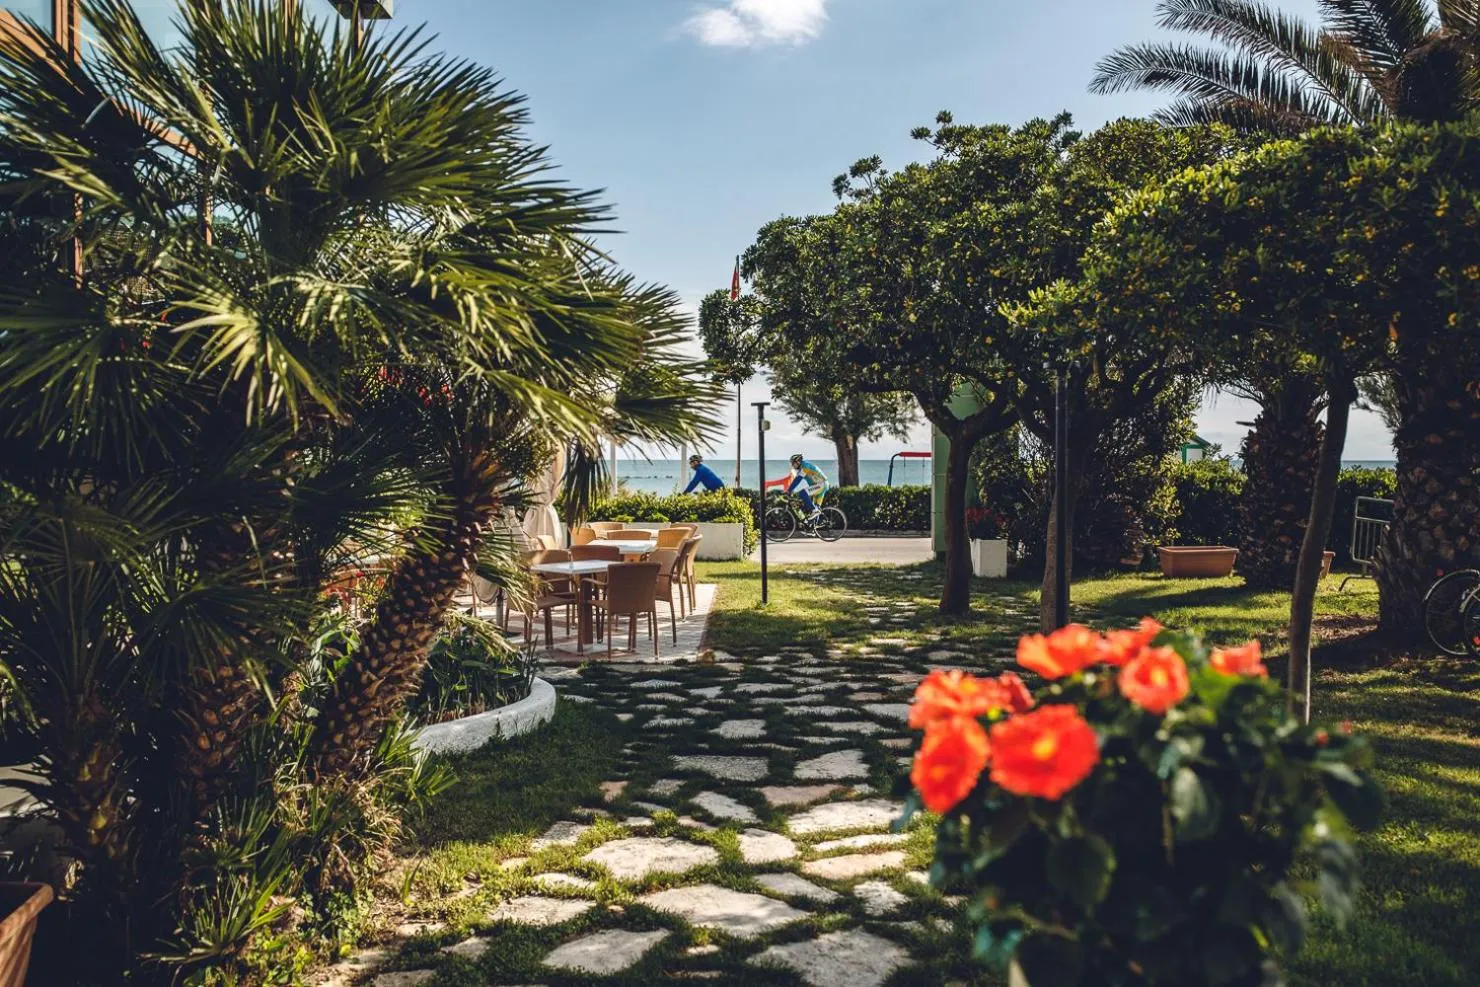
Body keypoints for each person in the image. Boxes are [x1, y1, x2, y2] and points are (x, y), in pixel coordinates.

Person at [787, 453, 830, 519]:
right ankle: (814, 528)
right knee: (816, 509)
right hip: (822, 485)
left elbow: (798, 479)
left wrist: (789, 490)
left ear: (798, 461)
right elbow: (796, 479)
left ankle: (814, 511)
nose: (792, 465)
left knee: (803, 493)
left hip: (821, 485)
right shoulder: (802, 468)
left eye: (793, 463)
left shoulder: (805, 466)